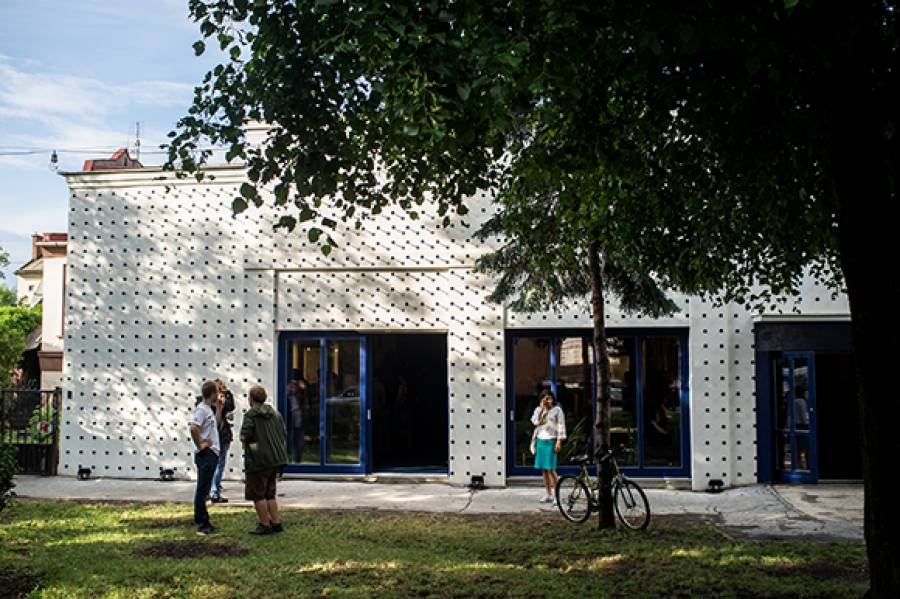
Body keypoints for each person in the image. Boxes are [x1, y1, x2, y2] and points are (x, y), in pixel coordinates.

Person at [240, 385, 289, 535]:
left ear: (251, 399)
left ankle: (264, 525)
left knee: (257, 494)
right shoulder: (275, 414)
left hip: (259, 461)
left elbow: (245, 436)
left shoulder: (251, 415)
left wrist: (253, 448)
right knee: (270, 493)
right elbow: (283, 433)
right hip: (276, 458)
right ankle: (276, 523)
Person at [189, 380, 224, 535]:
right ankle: (201, 524)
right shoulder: (201, 410)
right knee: (202, 490)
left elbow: (214, 425)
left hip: (212, 453)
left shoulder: (209, 409)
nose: (219, 394)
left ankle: (205, 521)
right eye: (217, 392)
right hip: (206, 454)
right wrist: (200, 444)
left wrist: (219, 409)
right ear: (212, 393)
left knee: (205, 489)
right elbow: (193, 427)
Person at [530, 389, 566, 504]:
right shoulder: (538, 410)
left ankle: (557, 495)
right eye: (544, 398)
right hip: (540, 441)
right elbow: (535, 422)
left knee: (551, 469)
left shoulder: (557, 410)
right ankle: (548, 494)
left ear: (553, 399)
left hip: (551, 441)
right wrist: (542, 409)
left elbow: (561, 426)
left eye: (549, 398)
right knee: (544, 470)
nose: (547, 400)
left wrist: (559, 441)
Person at [209, 380, 236, 503]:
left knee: (216, 464)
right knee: (218, 463)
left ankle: (213, 489)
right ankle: (214, 491)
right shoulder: (208, 405)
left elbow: (231, 407)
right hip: (217, 435)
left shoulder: (206, 403)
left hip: (220, 435)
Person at [287, 379, 306, 462]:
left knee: (300, 445)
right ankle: (288, 461)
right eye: (291, 386)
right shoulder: (286, 397)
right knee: (289, 444)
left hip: (299, 424)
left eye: (294, 386)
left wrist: (303, 388)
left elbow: (305, 398)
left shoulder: (299, 396)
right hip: (289, 425)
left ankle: (298, 462)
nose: (292, 388)